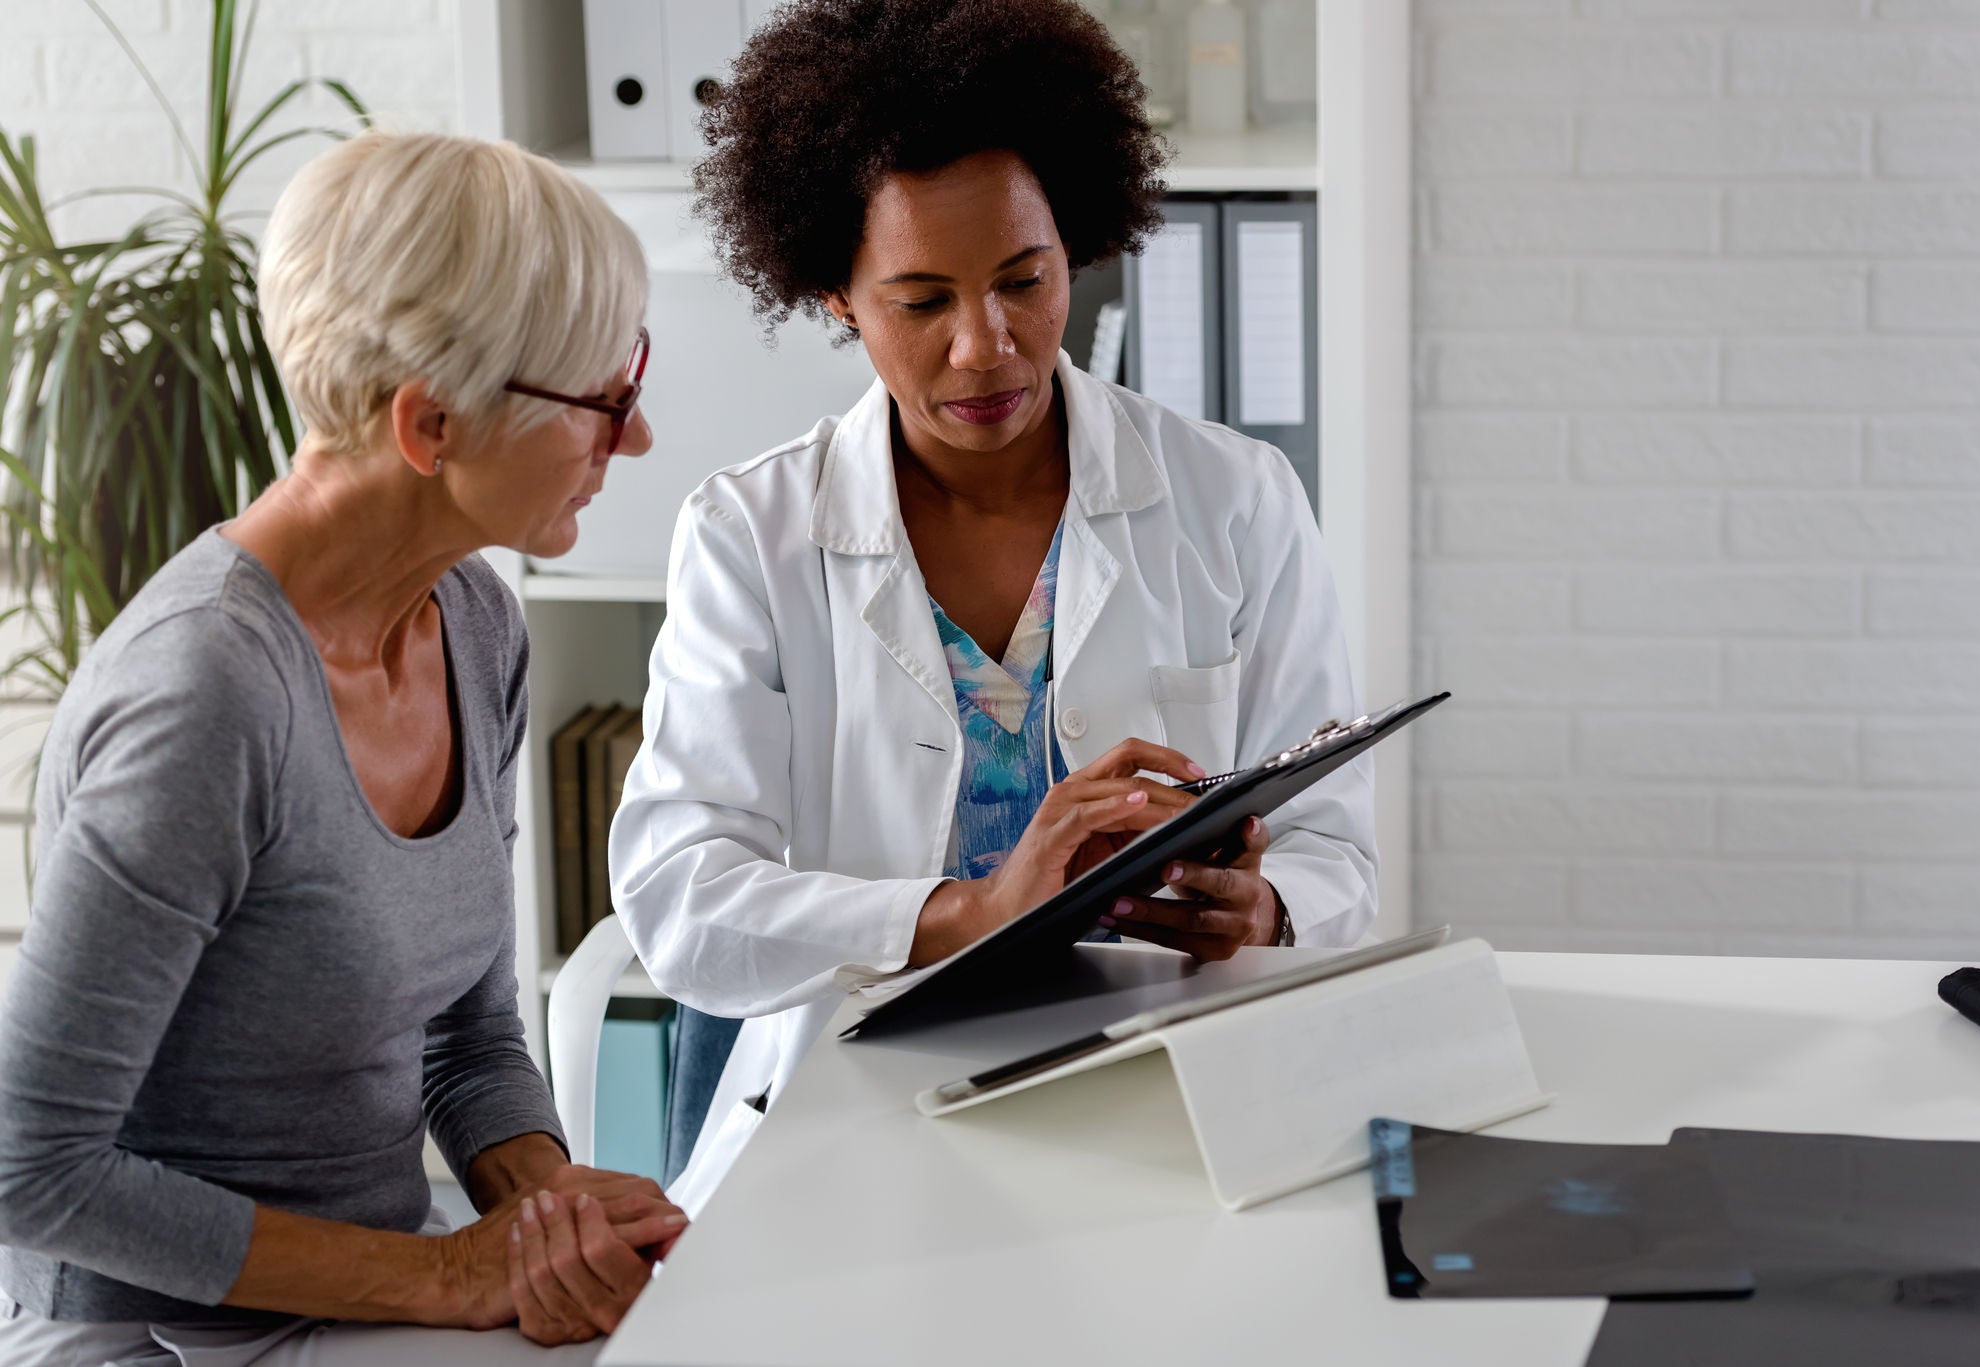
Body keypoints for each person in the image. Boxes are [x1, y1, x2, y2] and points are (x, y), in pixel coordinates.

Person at [611, 0, 1378, 1208]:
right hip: (855, 1127)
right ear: (834, 295)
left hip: (1173, 1103)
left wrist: (1266, 905)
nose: (987, 346)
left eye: (1024, 279)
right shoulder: (748, 536)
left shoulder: (1235, 498)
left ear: (1075, 240)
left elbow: (1338, 848)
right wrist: (969, 909)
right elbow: (681, 900)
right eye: (921, 301)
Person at [0, 130, 680, 1364]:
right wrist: (444, 1275)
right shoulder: (203, 698)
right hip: (156, 1336)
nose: (631, 439)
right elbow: (28, 1165)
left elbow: (466, 1037)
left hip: (367, 1290)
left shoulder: (473, 624)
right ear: (430, 425)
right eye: (604, 398)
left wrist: (543, 1211)